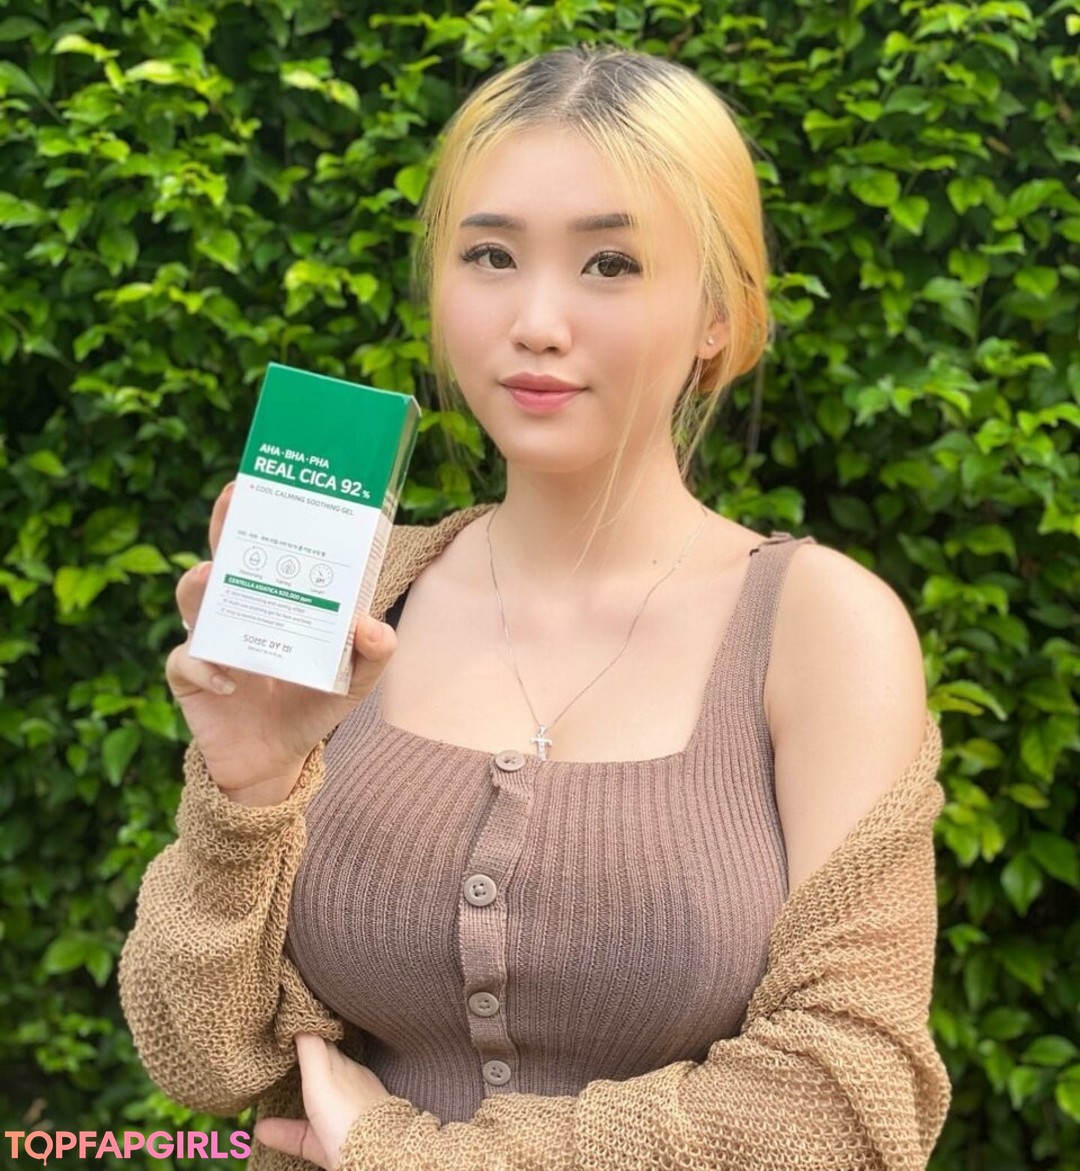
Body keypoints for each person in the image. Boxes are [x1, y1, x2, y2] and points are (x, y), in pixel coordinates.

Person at [119, 46, 951, 1171]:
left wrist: (408, 1154)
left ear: (718, 313)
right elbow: (204, 1058)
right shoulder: (362, 593)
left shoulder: (821, 629)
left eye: (611, 263)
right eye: (492, 256)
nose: (538, 321)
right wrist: (246, 792)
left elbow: (850, 1105)